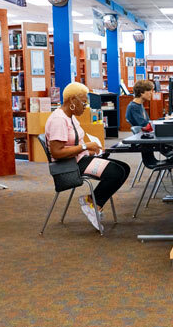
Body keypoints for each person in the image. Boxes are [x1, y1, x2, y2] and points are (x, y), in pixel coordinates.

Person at [45, 82, 130, 232]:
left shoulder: (70, 117)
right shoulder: (59, 120)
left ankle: (93, 202)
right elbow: (57, 153)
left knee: (124, 168)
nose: (85, 106)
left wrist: (90, 150)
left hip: (79, 159)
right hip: (70, 165)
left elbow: (74, 144)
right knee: (115, 173)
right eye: (83, 102)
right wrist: (85, 147)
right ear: (72, 100)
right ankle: (92, 202)